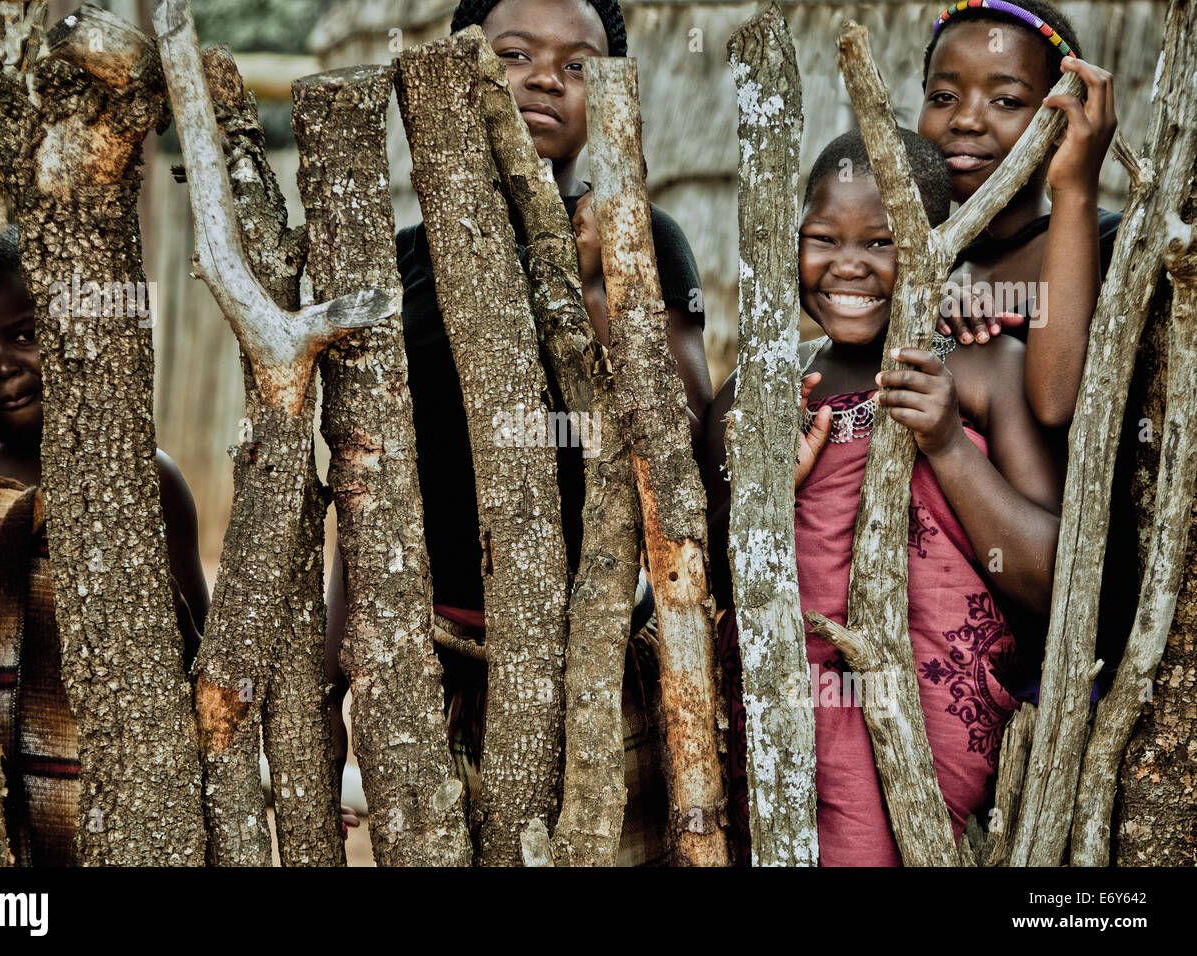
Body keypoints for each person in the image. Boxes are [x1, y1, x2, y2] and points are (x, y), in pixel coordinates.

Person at [323, 0, 712, 864]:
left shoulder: (644, 242)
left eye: (578, 65)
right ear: (462, 71)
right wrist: (336, 657)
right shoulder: (404, 263)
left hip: (595, 654)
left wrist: (606, 291)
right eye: (515, 54)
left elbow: (683, 427)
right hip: (432, 661)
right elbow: (367, 478)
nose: (546, 78)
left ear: (608, 94)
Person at [704, 129, 1062, 865]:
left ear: (939, 247)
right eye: (823, 237)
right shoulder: (757, 395)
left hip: (929, 731)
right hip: (789, 716)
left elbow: (1051, 577)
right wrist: (774, 491)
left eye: (883, 242)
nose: (848, 264)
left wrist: (947, 446)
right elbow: (705, 577)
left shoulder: (984, 368)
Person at [0, 227, 210, 865]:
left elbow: (198, 655)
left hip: (105, 802)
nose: (1, 367)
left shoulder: (140, 480)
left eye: (24, 334)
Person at [919, 0, 1118, 427]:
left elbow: (1054, 403)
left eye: (1006, 101)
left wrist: (1075, 188)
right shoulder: (926, 261)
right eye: (943, 96)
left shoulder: (1115, 246)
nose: (966, 120)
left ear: (1062, 121)